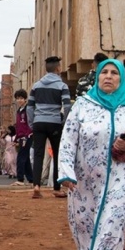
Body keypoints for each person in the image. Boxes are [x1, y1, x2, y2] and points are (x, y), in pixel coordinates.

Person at [57, 58, 125, 250]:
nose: (108, 76)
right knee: (85, 225)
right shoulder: (83, 106)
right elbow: (68, 140)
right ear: (98, 77)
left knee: (113, 223)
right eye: (104, 72)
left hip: (122, 176)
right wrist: (65, 173)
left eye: (114, 73)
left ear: (121, 78)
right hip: (85, 180)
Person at [27, 56, 72, 199]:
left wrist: (32, 123)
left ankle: (36, 186)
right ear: (58, 68)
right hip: (54, 123)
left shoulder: (36, 85)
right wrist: (64, 122)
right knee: (57, 154)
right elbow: (67, 106)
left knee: (38, 154)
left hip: (39, 122)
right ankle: (57, 189)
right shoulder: (62, 86)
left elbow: (30, 107)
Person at [12, 89, 33, 186]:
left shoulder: (28, 109)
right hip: (20, 137)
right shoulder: (18, 111)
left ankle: (20, 179)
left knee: (21, 157)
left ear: (25, 99)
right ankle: (31, 179)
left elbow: (30, 124)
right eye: (18, 99)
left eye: (21, 98)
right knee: (26, 159)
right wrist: (16, 139)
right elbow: (19, 127)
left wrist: (27, 135)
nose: (19, 100)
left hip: (27, 136)